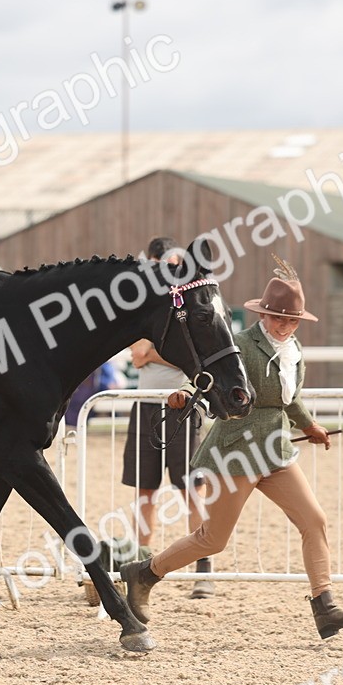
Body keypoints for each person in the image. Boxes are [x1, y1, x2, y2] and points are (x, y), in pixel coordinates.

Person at [120, 256, 343, 639]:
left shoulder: (294, 351)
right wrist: (184, 395)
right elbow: (208, 377)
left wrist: (310, 426)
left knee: (314, 520)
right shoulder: (240, 345)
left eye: (291, 321)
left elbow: (289, 400)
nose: (284, 326)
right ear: (263, 315)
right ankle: (144, 572)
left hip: (274, 451)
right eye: (278, 319)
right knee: (212, 540)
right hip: (235, 452)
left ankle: (325, 606)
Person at [121, 237, 214, 598]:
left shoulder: (186, 302)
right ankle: (141, 561)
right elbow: (136, 351)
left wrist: (156, 352)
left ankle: (203, 567)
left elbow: (184, 354)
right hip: (146, 404)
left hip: (182, 403)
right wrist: (160, 352)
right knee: (145, 490)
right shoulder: (148, 306)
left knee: (192, 488)